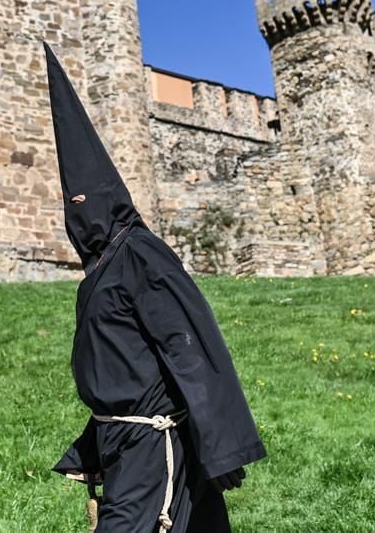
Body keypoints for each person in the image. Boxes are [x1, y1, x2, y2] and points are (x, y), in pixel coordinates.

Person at [44, 43, 266, 532]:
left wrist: (222, 444)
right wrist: (92, 442)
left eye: (83, 202)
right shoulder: (98, 274)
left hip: (153, 444)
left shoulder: (140, 255)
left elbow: (188, 344)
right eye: (70, 205)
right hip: (121, 444)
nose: (77, 214)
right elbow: (121, 364)